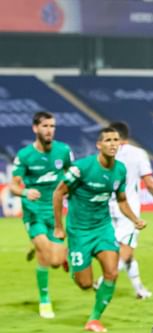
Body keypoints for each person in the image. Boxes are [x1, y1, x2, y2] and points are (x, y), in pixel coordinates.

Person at [53, 127, 146, 332]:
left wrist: (134, 219)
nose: (113, 143)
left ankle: (94, 319)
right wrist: (59, 227)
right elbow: (58, 193)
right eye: (108, 140)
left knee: (111, 273)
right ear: (99, 145)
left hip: (103, 228)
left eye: (116, 140)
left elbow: (121, 199)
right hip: (79, 232)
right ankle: (70, 258)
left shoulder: (120, 169)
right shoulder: (81, 168)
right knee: (85, 284)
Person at [9, 111, 73, 319]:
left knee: (55, 261)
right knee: (45, 256)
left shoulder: (63, 150)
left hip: (55, 214)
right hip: (34, 213)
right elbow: (13, 186)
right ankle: (45, 301)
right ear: (35, 128)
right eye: (45, 126)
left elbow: (71, 175)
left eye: (52, 126)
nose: (49, 130)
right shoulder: (25, 155)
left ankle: (47, 249)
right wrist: (26, 191)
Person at [93, 121, 153, 300]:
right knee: (125, 250)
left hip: (106, 207)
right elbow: (148, 181)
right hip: (128, 209)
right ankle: (103, 280)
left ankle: (139, 290)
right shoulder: (137, 153)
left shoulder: (106, 152)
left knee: (128, 252)